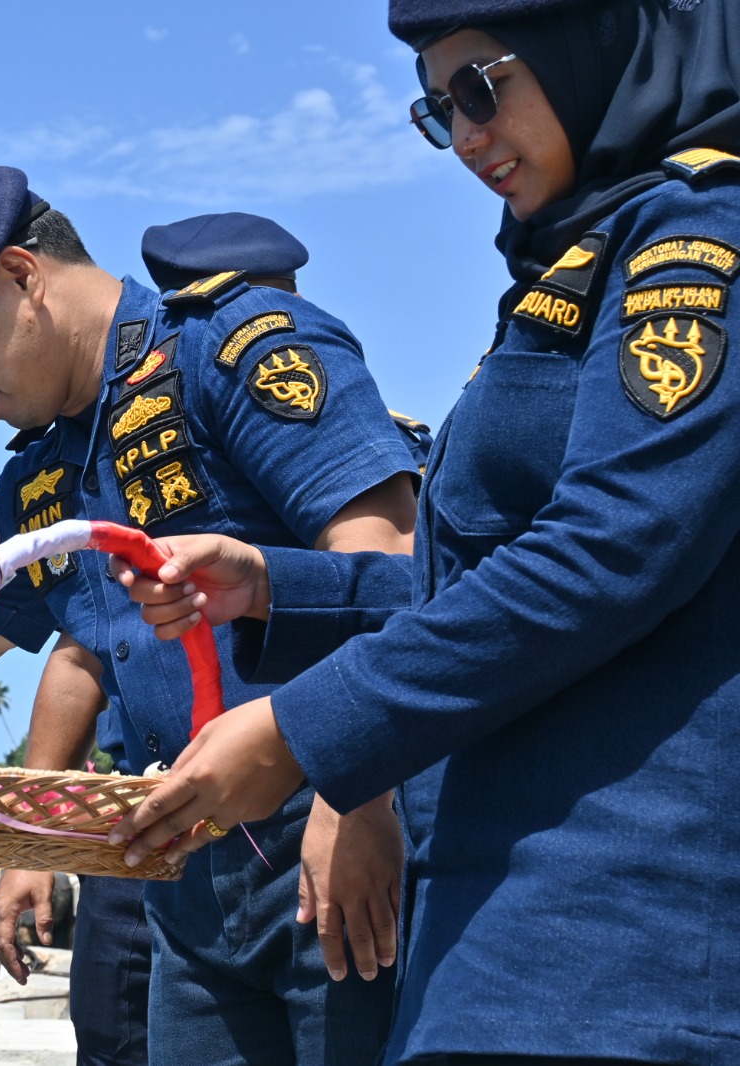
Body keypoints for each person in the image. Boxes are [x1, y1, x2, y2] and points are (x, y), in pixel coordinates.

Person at [112, 1, 740, 1062]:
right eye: (434, 109)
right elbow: (477, 575)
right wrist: (275, 582)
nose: (464, 137)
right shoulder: (571, 264)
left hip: (614, 953)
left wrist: (304, 732)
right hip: (491, 938)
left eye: (480, 91)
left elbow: (610, 550)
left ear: (589, 45)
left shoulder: (694, 239)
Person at [0, 164, 422, 1065]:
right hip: (185, 872)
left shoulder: (231, 349)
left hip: (328, 839)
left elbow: (396, 569)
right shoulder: (41, 478)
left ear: (21, 276)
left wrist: (357, 792)